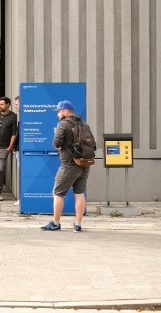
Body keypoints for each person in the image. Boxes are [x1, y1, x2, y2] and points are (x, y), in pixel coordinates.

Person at [41, 100, 90, 233]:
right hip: (84, 164)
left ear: (66, 111)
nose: (57, 113)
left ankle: (56, 223)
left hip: (69, 164)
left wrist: (56, 132)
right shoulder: (83, 124)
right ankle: (78, 225)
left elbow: (56, 144)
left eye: (59, 111)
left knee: (58, 193)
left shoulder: (63, 124)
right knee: (79, 194)